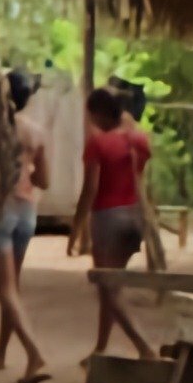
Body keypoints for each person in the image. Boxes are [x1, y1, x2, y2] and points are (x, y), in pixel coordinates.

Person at [70, 85, 160, 365]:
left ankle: (144, 347)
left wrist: (76, 228)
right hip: (136, 215)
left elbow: (91, 189)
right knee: (111, 286)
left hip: (108, 217)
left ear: (97, 114)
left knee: (108, 289)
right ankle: (100, 350)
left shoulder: (98, 144)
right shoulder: (140, 140)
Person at [0, 69, 51, 383]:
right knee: (14, 288)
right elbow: (44, 181)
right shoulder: (35, 132)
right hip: (27, 211)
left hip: (0, 210)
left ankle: (34, 354)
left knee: (5, 290)